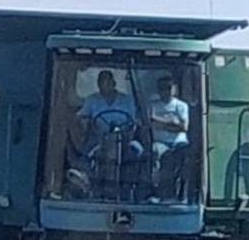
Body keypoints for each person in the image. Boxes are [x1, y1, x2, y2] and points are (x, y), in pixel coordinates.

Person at [69, 69, 146, 201]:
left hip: (126, 139)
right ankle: (88, 181)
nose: (105, 85)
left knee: (139, 151)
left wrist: (128, 131)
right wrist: (85, 123)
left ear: (114, 83)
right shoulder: (92, 100)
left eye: (107, 82)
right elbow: (80, 117)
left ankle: (139, 186)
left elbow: (135, 121)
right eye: (101, 83)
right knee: (86, 155)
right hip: (99, 139)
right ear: (98, 84)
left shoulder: (127, 100)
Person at [147, 74, 190, 202]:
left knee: (186, 157)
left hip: (179, 143)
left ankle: (182, 195)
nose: (167, 90)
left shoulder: (182, 106)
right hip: (159, 142)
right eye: (163, 88)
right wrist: (171, 121)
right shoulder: (153, 106)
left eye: (169, 87)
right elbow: (150, 123)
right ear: (159, 90)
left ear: (174, 89)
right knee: (153, 153)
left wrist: (160, 122)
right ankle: (155, 192)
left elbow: (183, 127)